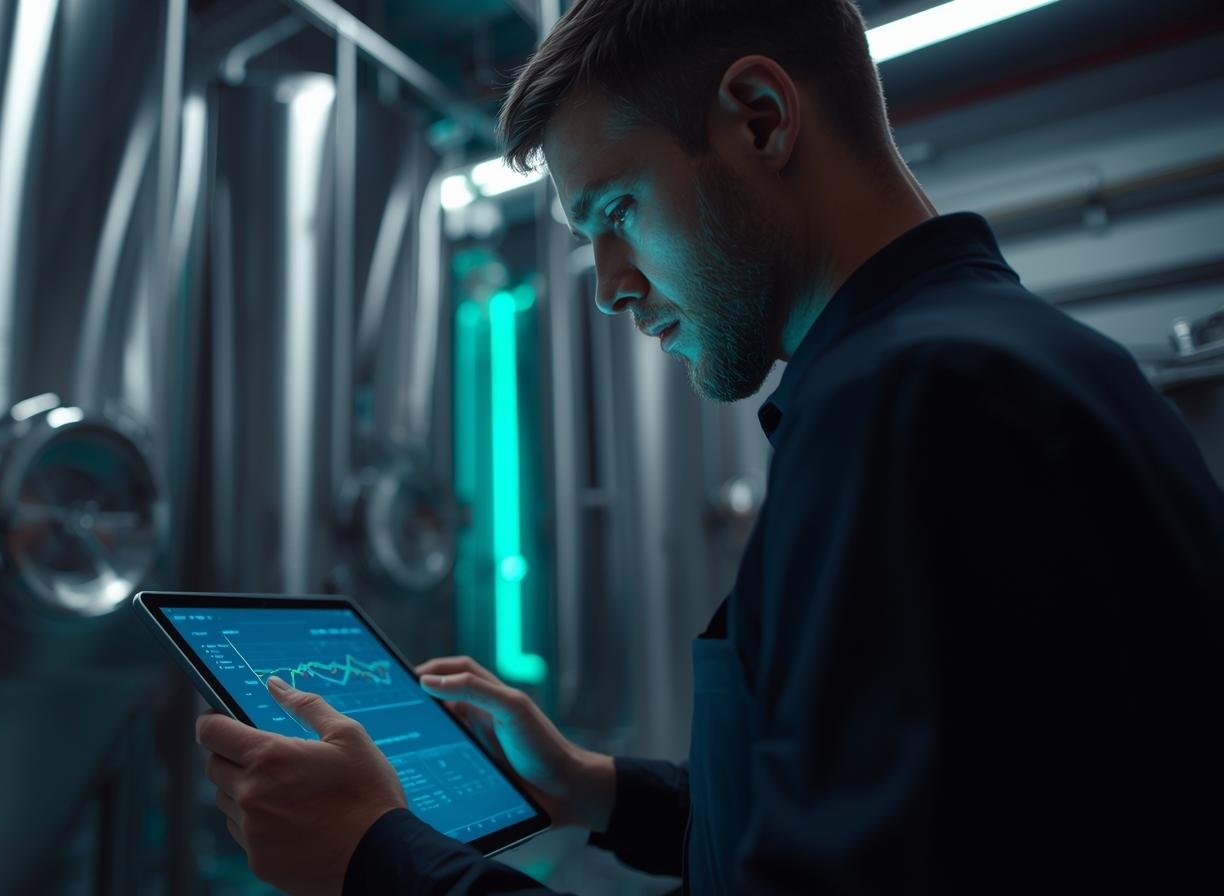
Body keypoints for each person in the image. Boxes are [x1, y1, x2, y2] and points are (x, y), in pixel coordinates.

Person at [194, 1, 1224, 893]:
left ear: (760, 119)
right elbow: (882, 827)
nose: (606, 282)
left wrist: (376, 856)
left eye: (617, 210)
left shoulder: (921, 402)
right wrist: (594, 788)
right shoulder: (983, 365)